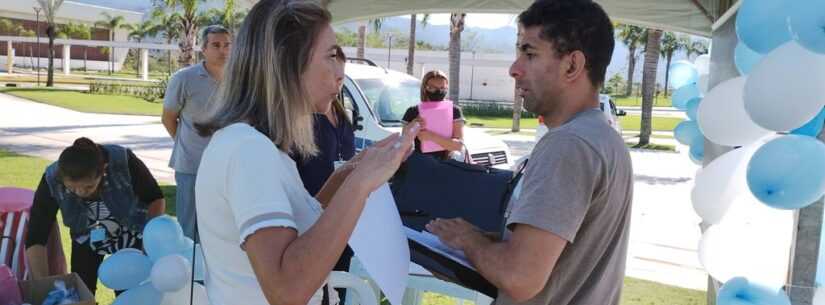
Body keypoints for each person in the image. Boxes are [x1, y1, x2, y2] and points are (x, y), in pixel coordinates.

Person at [193, 1, 418, 305]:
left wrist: (348, 173)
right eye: (331, 55)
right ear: (287, 63)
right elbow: (286, 290)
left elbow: (296, 234)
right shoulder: (248, 151)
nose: (341, 73)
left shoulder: (257, 146)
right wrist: (360, 183)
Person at [427, 1, 634, 305]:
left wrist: (467, 240)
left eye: (530, 53)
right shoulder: (604, 138)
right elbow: (563, 259)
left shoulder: (568, 144)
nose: (514, 69)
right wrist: (489, 245)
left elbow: (520, 277)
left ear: (572, 65)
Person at [26, 137, 165, 296]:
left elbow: (155, 198)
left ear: (104, 170)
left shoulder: (122, 160)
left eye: (89, 186)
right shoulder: (52, 179)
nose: (81, 192)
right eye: (72, 188)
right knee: (82, 290)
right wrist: (42, 286)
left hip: (129, 230)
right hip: (85, 234)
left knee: (127, 290)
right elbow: (37, 234)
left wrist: (149, 242)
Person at [290, 45, 356, 302]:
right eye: (333, 76)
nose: (338, 83)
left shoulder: (342, 113)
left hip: (342, 219)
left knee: (338, 289)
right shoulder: (299, 118)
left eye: (342, 77)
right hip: (310, 221)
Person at [162, 25, 232, 240]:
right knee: (190, 228)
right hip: (192, 166)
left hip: (227, 167)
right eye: (216, 45)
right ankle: (189, 271)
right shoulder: (184, 78)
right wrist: (186, 143)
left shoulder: (239, 79)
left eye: (228, 45)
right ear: (203, 48)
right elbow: (168, 118)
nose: (223, 50)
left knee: (223, 227)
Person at [401, 70, 465, 160]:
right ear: (424, 88)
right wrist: (412, 126)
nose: (438, 91)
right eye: (433, 88)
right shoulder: (412, 111)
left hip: (445, 164)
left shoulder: (454, 111)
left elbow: (458, 146)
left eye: (442, 88)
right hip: (419, 164)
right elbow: (403, 144)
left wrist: (431, 136)